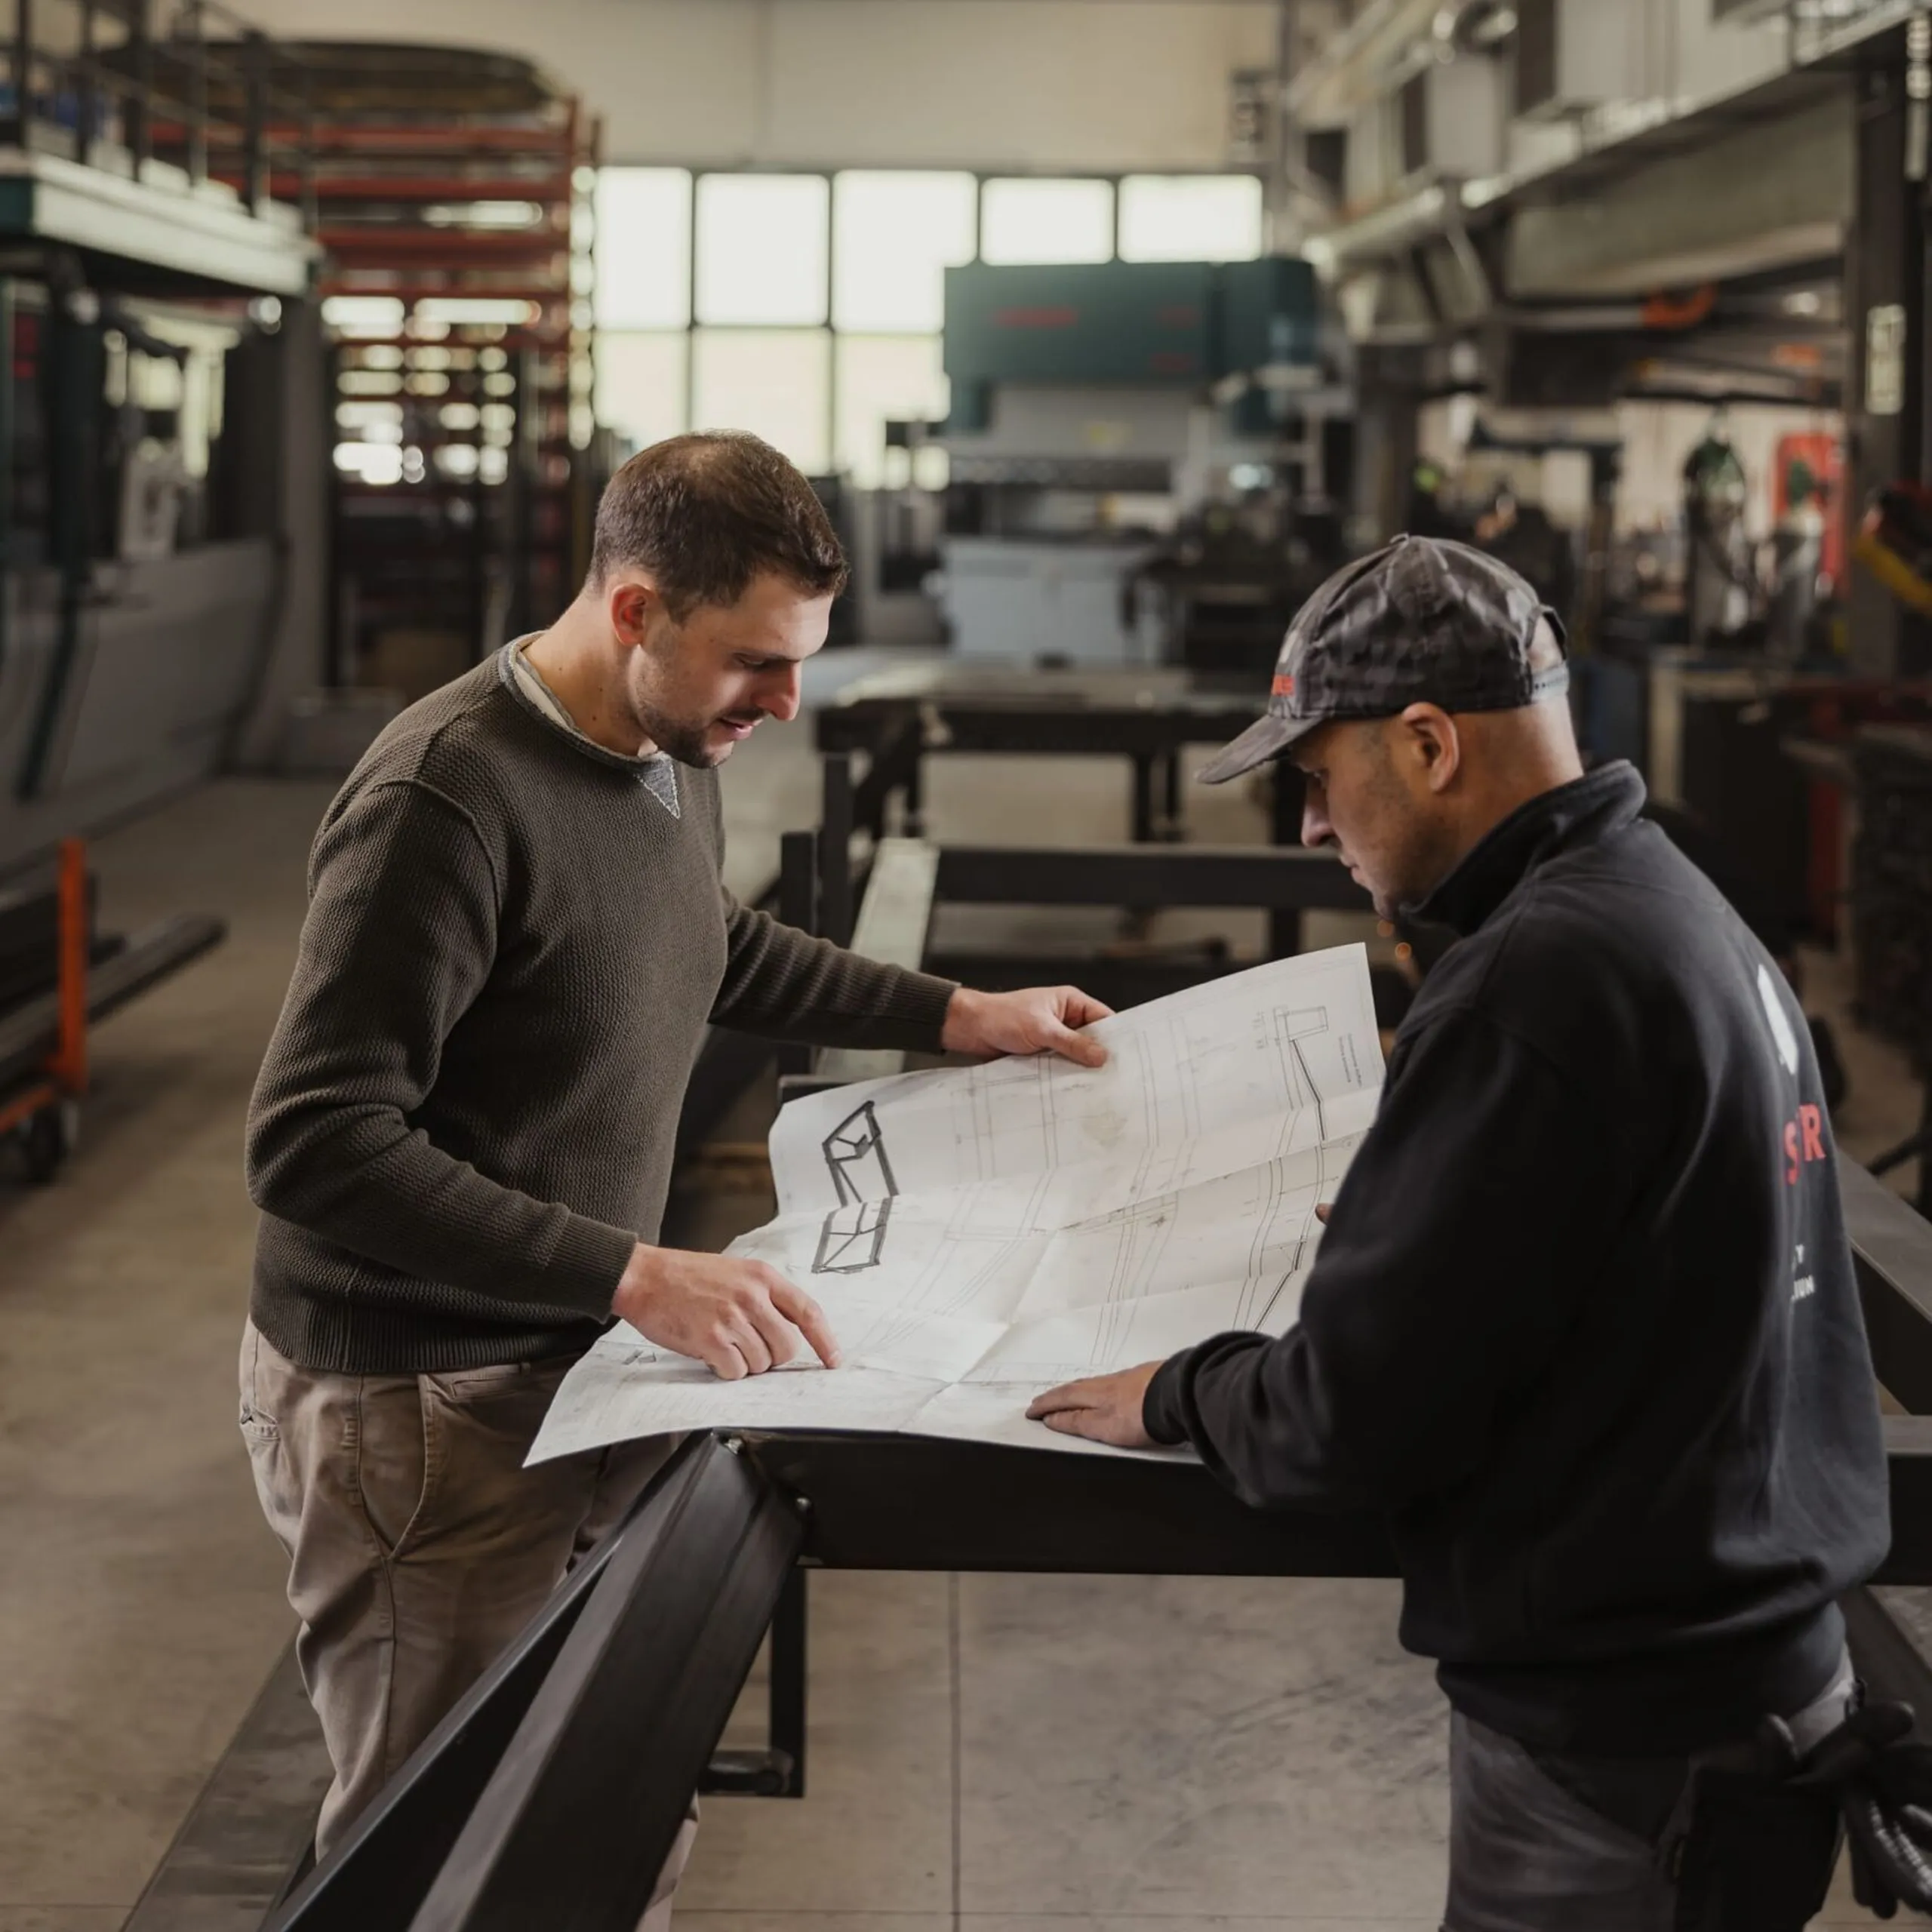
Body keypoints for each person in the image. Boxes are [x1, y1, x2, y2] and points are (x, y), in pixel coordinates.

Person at [240, 431, 1111, 1909]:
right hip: (421, 1403)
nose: (785, 701)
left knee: (592, 1799)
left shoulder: (657, 746)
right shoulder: (443, 800)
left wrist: (952, 1013)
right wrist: (632, 1270)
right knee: (437, 1836)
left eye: (800, 661)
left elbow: (704, 941)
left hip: (564, 1368)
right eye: (755, 665)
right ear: (634, 608)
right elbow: (317, 1139)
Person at [1026, 535, 1890, 1930]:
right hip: (1740, 1695)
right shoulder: (1666, 902)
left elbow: (1349, 1424)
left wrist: (1181, 1389)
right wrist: (1428, 1211)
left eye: (1319, 777)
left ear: (1428, 743)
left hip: (1629, 1752)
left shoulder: (1535, 981)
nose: (1311, 825)